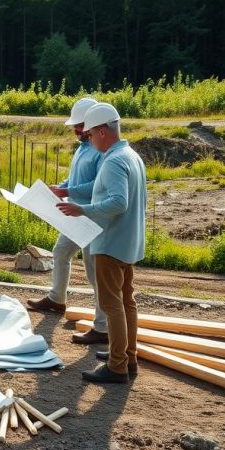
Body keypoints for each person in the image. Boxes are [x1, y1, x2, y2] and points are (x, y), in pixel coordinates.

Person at [58, 102, 147, 384]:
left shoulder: (113, 161)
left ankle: (117, 365)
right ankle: (127, 357)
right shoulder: (132, 156)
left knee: (112, 305)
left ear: (102, 132)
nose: (89, 139)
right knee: (126, 302)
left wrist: (82, 209)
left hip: (110, 243)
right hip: (128, 241)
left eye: (91, 134)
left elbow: (119, 202)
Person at [26, 97, 109, 344]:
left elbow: (98, 185)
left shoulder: (100, 150)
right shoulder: (84, 147)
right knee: (61, 252)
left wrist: (65, 192)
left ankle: (103, 327)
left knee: (95, 273)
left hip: (91, 216)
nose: (75, 129)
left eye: (79, 125)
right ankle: (57, 300)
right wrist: (61, 187)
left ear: (91, 124)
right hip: (75, 212)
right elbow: (76, 178)